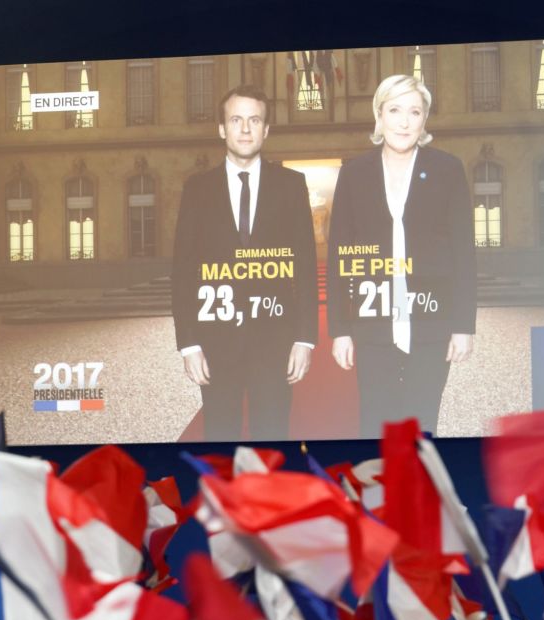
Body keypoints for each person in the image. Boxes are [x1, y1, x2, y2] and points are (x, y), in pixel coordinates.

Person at [327, 74, 476, 437]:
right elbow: (339, 256)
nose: (404, 121)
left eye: (414, 111)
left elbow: (464, 252)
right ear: (379, 116)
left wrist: (463, 326)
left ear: (425, 120)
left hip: (431, 321)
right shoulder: (353, 173)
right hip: (372, 321)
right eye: (394, 110)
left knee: (422, 423)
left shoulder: (448, 169)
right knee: (376, 424)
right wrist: (339, 330)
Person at [171, 84, 318, 442]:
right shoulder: (197, 189)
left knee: (273, 436)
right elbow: (183, 269)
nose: (246, 129)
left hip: (276, 341)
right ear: (222, 129)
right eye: (236, 120)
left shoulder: (291, 185)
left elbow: (306, 266)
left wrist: (305, 339)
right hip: (216, 339)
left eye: (255, 120)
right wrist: (188, 344)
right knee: (221, 438)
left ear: (266, 129)